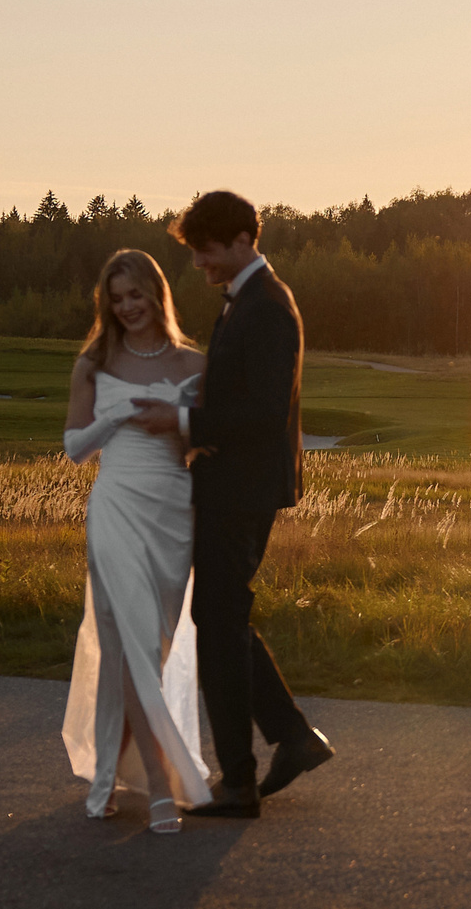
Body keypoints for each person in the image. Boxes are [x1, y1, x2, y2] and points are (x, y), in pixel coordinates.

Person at [133, 190, 332, 817]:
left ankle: (240, 780)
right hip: (232, 483)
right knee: (223, 618)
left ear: (242, 240)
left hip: (243, 488)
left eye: (206, 251)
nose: (198, 264)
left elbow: (263, 412)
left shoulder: (267, 307)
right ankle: (292, 737)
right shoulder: (248, 301)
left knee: (217, 623)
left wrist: (185, 422)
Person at [60, 248, 215, 834]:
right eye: (116, 298)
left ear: (157, 295)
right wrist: (118, 416)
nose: (126, 307)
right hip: (116, 504)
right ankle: (158, 784)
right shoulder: (93, 365)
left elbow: (207, 440)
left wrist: (175, 420)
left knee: (148, 648)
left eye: (135, 295)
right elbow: (75, 448)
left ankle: (104, 777)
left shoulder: (194, 363)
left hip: (175, 509)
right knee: (131, 637)